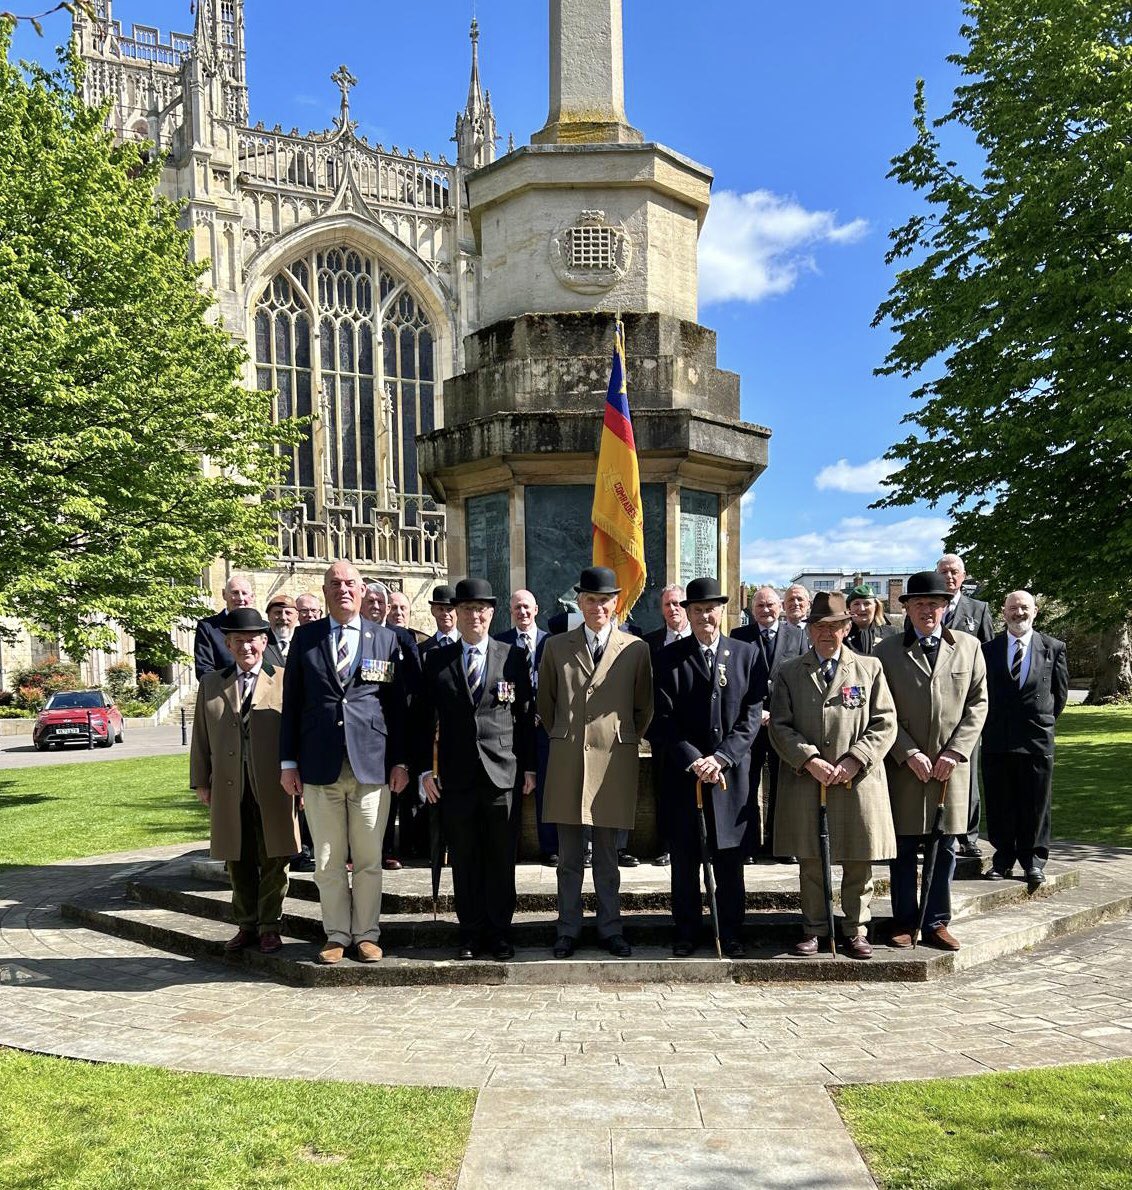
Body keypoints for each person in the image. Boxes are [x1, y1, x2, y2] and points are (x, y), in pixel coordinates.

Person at [279, 560, 410, 965]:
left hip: (371, 766)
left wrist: (401, 761)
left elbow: (398, 708)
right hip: (320, 766)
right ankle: (336, 934)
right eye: (334, 583)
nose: (343, 590)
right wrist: (288, 762)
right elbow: (293, 704)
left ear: (362, 589)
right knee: (330, 859)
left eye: (350, 583)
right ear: (325, 591)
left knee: (369, 859)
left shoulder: (386, 640)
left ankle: (367, 934)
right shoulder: (307, 638)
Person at [769, 591, 898, 959]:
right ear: (810, 631)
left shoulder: (869, 668)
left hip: (857, 780)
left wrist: (857, 759)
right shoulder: (790, 671)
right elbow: (780, 725)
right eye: (820, 627)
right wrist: (809, 760)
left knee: (859, 858)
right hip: (808, 780)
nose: (828, 633)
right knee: (812, 859)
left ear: (847, 627)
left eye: (836, 626)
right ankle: (815, 928)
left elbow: (885, 721)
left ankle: (857, 930)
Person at [538, 566, 653, 958]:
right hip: (568, 758)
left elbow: (643, 706)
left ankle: (610, 928)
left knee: (608, 858)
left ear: (615, 603)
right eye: (590, 599)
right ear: (580, 602)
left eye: (605, 600)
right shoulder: (556, 647)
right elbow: (546, 703)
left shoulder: (635, 649)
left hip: (613, 764)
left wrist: (620, 738)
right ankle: (567, 930)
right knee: (569, 858)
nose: (598, 607)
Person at [417, 579, 536, 959]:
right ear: (457, 613)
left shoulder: (512, 656)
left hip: (502, 773)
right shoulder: (437, 659)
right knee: (464, 857)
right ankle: (469, 932)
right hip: (456, 776)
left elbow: (526, 714)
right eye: (467, 609)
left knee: (501, 858)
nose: (475, 616)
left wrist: (529, 768)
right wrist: (424, 771)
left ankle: (500, 932)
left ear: (492, 613)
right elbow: (422, 719)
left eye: (482, 609)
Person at [652, 578, 766, 957]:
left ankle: (731, 931)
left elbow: (751, 716)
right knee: (685, 862)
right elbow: (662, 719)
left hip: (729, 777)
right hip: (686, 777)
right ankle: (685, 931)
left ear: (722, 611)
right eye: (697, 609)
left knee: (730, 864)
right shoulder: (669, 658)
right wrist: (694, 759)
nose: (705, 616)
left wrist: (721, 758)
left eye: (711, 609)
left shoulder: (746, 653)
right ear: (687, 612)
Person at [875, 570, 988, 951]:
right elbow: (881, 709)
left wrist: (956, 751)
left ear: (945, 607)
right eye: (919, 603)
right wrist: (907, 752)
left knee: (945, 847)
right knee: (903, 847)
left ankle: (937, 921)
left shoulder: (970, 647)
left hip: (950, 768)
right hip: (905, 766)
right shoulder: (886, 652)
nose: (927, 610)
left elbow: (978, 703)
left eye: (935, 604)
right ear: (906, 608)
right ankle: (905, 921)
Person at [190, 608, 299, 955]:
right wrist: (200, 782)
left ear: (264, 642)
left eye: (252, 640)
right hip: (228, 785)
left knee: (274, 857)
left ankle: (270, 926)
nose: (246, 647)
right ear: (228, 644)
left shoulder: (284, 679)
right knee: (237, 857)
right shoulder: (212, 683)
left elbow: (297, 733)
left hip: (274, 785)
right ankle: (246, 925)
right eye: (238, 641)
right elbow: (200, 738)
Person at [981, 591, 1069, 888]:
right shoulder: (987, 650)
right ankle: (1003, 859)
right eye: (1012, 608)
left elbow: (1060, 696)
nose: (1018, 613)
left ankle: (1034, 861)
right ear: (1003, 612)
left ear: (1036, 611)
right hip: (997, 738)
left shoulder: (1053, 647)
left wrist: (1041, 721)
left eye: (1024, 608)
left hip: (1036, 738)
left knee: (1035, 802)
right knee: (1000, 801)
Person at [733, 586, 807, 861]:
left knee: (782, 785)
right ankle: (747, 845)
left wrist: (775, 714)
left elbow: (799, 683)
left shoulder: (798, 636)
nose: (765, 610)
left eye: (770, 605)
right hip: (750, 724)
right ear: (752, 610)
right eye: (760, 606)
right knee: (747, 786)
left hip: (783, 723)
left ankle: (781, 845)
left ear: (780, 607)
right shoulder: (739, 636)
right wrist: (756, 712)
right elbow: (736, 682)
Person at [936, 553, 995, 858]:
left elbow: (990, 655)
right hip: (933, 705)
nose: (948, 576)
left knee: (967, 772)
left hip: (966, 703)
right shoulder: (928, 606)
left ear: (963, 576)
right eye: (943, 571)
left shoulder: (978, 610)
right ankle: (935, 829)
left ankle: (968, 834)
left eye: (954, 572)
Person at [362, 579, 422, 867]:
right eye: (369, 600)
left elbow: (414, 681)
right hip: (357, 729)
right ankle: (355, 852)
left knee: (390, 791)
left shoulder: (401, 637)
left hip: (391, 725)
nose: (375, 606)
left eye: (380, 602)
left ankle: (386, 849)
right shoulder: (346, 635)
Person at [494, 589, 557, 865]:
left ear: (536, 609)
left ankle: (550, 847)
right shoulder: (500, 643)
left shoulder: (552, 643)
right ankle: (510, 846)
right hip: (513, 727)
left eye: (527, 607)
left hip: (545, 728)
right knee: (509, 788)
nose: (522, 612)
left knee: (546, 788)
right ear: (511, 612)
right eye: (517, 608)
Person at [642, 584, 690, 867]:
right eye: (668, 604)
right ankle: (666, 846)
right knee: (664, 792)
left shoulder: (700, 638)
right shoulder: (649, 644)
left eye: (678, 604)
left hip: (695, 733)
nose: (673, 609)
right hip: (663, 734)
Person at [194, 574, 278, 679]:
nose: (240, 598)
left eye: (244, 593)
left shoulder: (265, 627)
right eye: (235, 593)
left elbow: (275, 665)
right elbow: (204, 669)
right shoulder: (208, 627)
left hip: (260, 690)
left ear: (252, 597)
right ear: (224, 594)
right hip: (224, 691)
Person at [844, 584, 899, 656]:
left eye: (867, 603)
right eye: (856, 604)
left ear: (876, 607)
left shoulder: (892, 634)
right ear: (849, 608)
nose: (862, 609)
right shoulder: (841, 634)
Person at [420, 584, 459, 657]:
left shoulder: (467, 645)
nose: (445, 613)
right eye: (440, 609)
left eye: (449, 609)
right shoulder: (422, 649)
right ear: (432, 611)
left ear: (457, 611)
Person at [266, 594, 298, 663]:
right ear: (268, 616)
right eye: (278, 613)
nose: (283, 617)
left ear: (296, 616)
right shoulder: (261, 641)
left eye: (288, 613)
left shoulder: (304, 641)